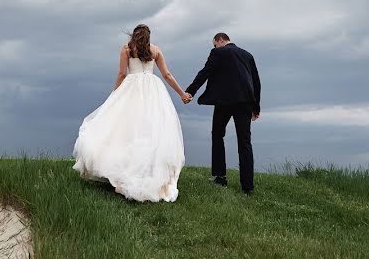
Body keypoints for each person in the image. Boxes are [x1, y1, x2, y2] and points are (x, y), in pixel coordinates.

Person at [72, 24, 191, 202]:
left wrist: (115, 95)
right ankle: (147, 171)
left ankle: (126, 170)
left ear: (134, 35)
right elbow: (166, 75)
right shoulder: (156, 50)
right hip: (153, 92)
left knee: (126, 131)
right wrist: (182, 94)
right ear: (149, 37)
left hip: (131, 90)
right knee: (151, 131)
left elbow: (121, 73)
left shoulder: (126, 50)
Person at [184, 32, 261, 194]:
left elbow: (205, 72)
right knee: (245, 142)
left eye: (214, 44)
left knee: (217, 134)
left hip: (224, 102)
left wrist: (190, 92)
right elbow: (256, 82)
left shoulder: (218, 52)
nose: (214, 47)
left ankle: (220, 177)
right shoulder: (247, 55)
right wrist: (256, 107)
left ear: (220, 40)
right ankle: (248, 187)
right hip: (246, 102)